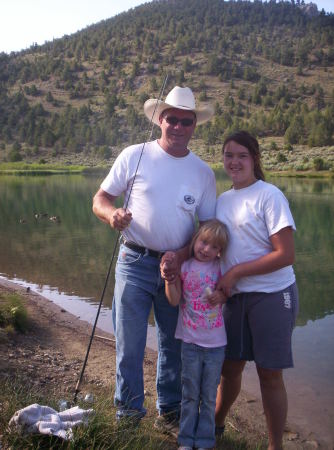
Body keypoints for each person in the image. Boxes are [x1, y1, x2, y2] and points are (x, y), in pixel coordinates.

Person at [92, 86, 216, 431]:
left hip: (177, 268)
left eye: (185, 121)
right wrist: (111, 215)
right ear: (159, 120)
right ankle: (129, 416)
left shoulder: (203, 173)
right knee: (129, 343)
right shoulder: (134, 154)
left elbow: (206, 230)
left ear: (194, 126)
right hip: (133, 260)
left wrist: (180, 255)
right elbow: (100, 198)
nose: (177, 126)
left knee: (172, 344)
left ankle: (170, 412)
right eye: (171, 119)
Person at [213, 130, 299, 450]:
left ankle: (275, 445)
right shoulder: (222, 200)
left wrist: (235, 272)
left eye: (242, 156)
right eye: (228, 155)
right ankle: (217, 424)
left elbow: (285, 254)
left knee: (269, 375)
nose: (234, 162)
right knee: (229, 368)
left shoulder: (270, 195)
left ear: (255, 159)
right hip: (235, 299)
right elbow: (219, 249)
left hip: (273, 296)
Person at [163, 219, 229, 450]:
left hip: (215, 345)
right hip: (189, 342)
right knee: (190, 394)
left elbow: (230, 291)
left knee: (209, 396)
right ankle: (185, 440)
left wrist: (222, 296)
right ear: (195, 240)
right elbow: (173, 300)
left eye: (213, 247)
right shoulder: (184, 267)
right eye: (203, 242)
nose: (205, 249)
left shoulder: (222, 268)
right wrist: (169, 279)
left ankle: (204, 441)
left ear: (220, 251)